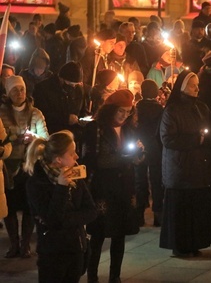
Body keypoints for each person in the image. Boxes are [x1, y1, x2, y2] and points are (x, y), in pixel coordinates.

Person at [82, 89, 141, 283]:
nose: (125, 115)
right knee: (99, 233)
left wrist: (139, 154)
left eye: (128, 111)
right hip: (103, 187)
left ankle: (115, 275)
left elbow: (137, 157)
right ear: (111, 110)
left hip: (124, 186)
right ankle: (92, 275)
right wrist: (121, 158)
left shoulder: (129, 129)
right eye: (121, 111)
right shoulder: (95, 129)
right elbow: (90, 159)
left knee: (120, 233)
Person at [25, 130, 97, 283]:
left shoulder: (75, 176)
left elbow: (91, 211)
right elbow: (53, 220)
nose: (77, 157)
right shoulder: (37, 183)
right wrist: (61, 187)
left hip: (76, 247)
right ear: (58, 159)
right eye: (72, 154)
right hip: (53, 253)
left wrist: (64, 220)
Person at [159, 70, 211, 256]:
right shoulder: (172, 110)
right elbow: (167, 138)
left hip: (198, 167)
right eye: (193, 85)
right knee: (181, 210)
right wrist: (195, 140)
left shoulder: (201, 107)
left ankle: (195, 243)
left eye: (198, 84)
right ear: (183, 87)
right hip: (180, 168)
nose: (197, 88)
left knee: (196, 207)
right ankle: (180, 245)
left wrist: (208, 139)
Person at [1, 76, 49, 259]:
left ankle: (25, 243)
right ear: (8, 93)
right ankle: (14, 244)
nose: (19, 93)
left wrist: (34, 138)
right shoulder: (2, 113)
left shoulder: (35, 113)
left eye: (21, 89)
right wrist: (13, 139)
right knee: (10, 206)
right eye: (15, 90)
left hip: (29, 165)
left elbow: (45, 137)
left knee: (30, 206)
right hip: (9, 166)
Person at [135, 80, 164, 227]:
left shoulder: (137, 108)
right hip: (155, 147)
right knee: (156, 180)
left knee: (140, 179)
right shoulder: (160, 109)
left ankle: (140, 212)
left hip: (139, 145)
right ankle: (158, 213)